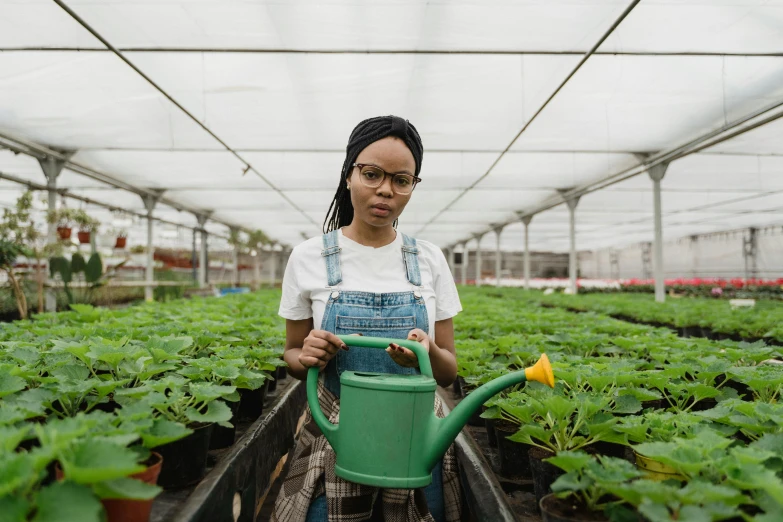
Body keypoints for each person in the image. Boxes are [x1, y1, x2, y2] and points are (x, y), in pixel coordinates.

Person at [272, 115, 463, 522]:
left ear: (412, 186)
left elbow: (448, 371)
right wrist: (308, 355)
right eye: (371, 174)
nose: (384, 190)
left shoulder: (429, 259)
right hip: (337, 436)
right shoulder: (309, 257)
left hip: (416, 438)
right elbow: (291, 354)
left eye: (401, 180)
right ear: (348, 175)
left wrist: (426, 352)